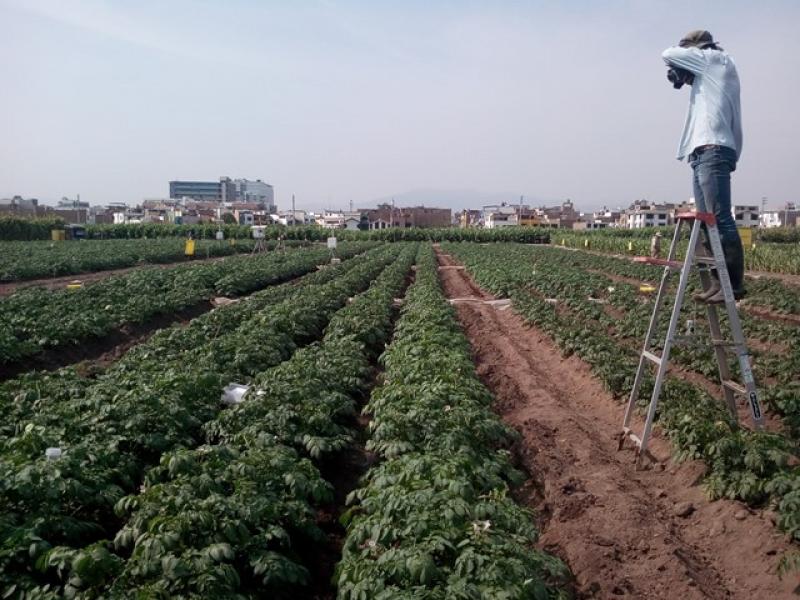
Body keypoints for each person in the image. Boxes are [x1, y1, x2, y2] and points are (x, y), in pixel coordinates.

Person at [662, 30, 746, 303]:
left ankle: (732, 285)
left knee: (720, 219)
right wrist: (687, 76)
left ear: (697, 50)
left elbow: (668, 53)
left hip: (714, 149)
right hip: (701, 152)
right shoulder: (708, 75)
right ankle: (716, 282)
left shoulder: (715, 60)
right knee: (707, 223)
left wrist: (684, 62)